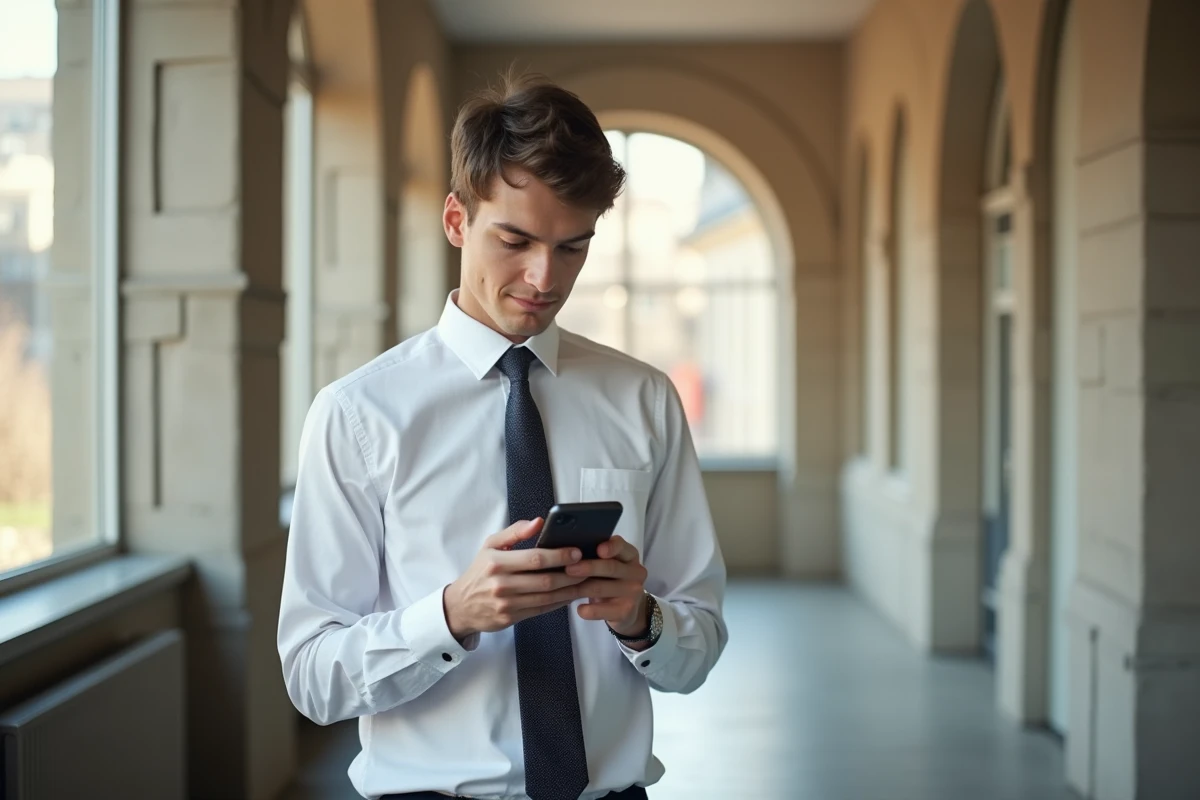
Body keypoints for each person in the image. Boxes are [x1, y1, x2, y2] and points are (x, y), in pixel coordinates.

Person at [277, 71, 728, 800]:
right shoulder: (358, 414)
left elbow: (697, 653)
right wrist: (451, 615)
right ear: (457, 220)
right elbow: (312, 678)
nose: (544, 277)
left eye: (573, 247)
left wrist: (640, 619)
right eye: (515, 240)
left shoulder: (643, 399)